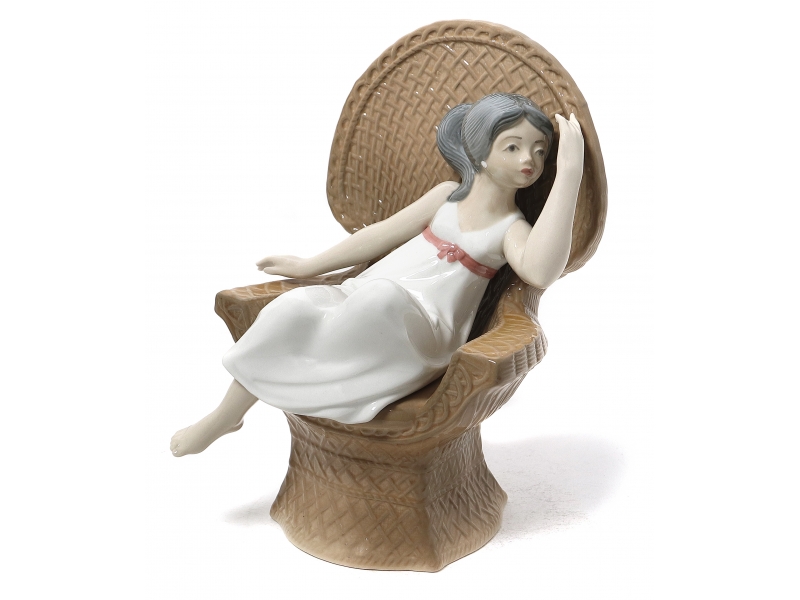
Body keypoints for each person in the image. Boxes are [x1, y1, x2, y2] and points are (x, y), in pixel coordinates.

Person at [171, 93, 584, 456]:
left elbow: (541, 271)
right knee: (293, 307)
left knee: (380, 298)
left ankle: (319, 380)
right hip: (362, 297)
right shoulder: (445, 197)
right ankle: (226, 415)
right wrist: (309, 266)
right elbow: (378, 236)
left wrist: (568, 174)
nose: (529, 160)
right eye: (513, 147)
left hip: (423, 329)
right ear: (480, 152)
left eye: (540, 151)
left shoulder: (510, 229)